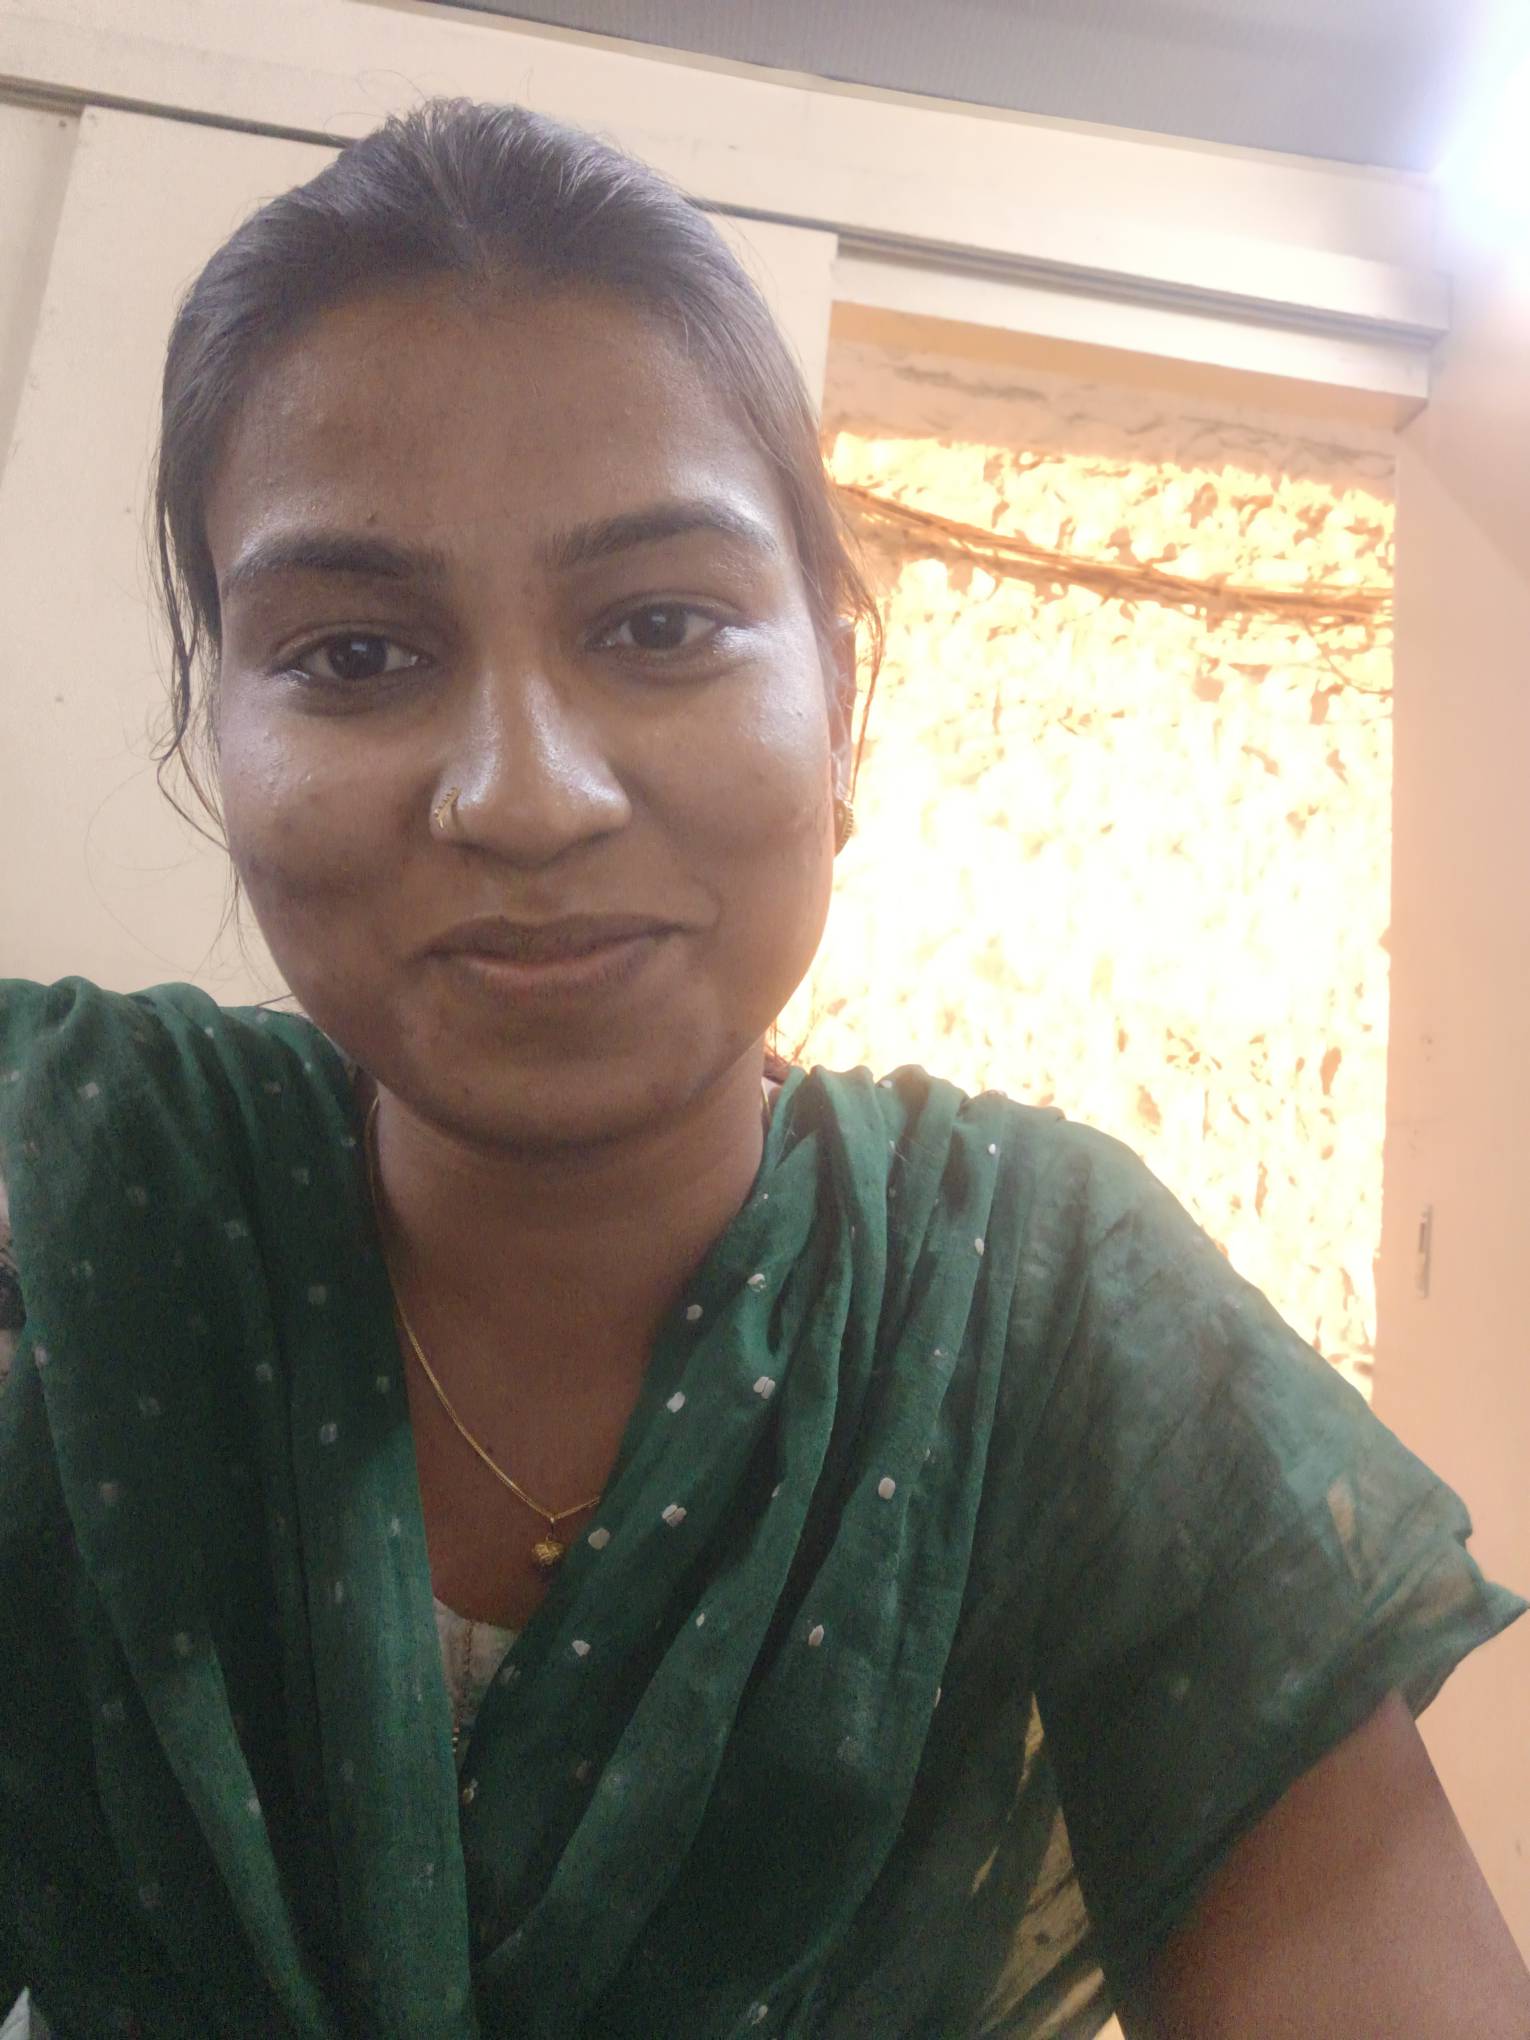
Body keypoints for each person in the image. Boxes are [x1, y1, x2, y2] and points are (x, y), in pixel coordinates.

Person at [0, 98, 1526, 2040]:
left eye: (657, 625)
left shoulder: (1047, 1317)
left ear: (839, 702)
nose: (527, 795)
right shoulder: (74, 1197)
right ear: (215, 733)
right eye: (358, 657)